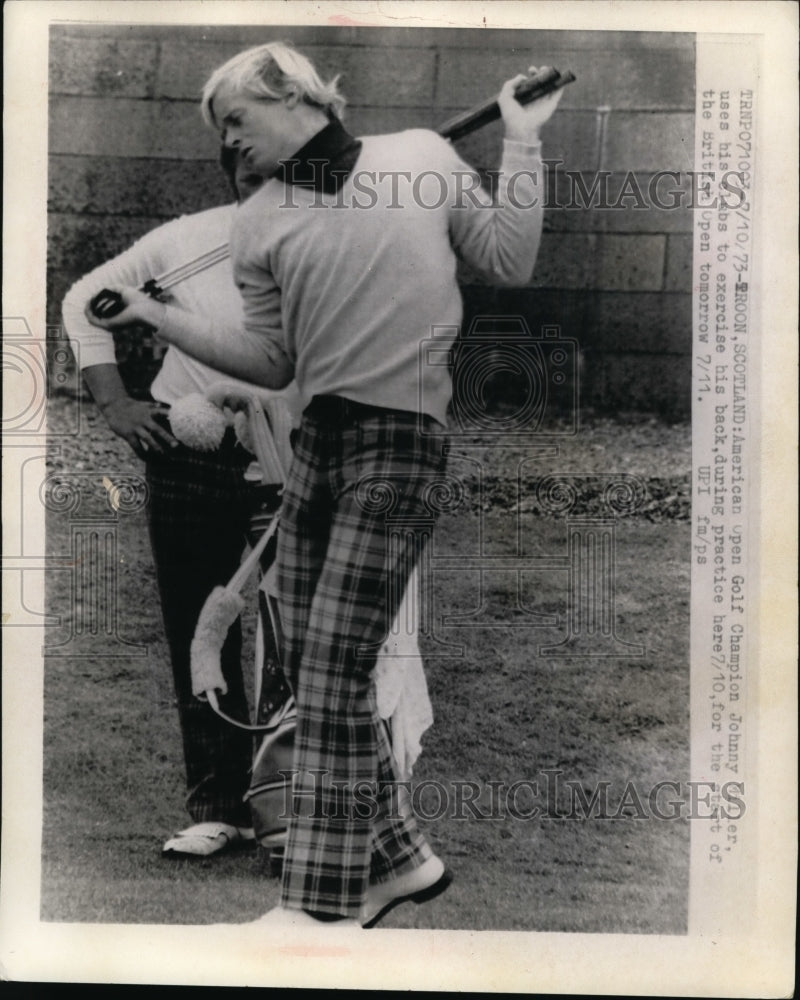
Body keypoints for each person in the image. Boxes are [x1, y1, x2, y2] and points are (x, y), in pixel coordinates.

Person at [87, 42, 563, 928]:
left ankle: (317, 906)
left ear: (291, 93)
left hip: (402, 440)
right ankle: (401, 859)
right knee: (315, 672)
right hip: (318, 443)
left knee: (338, 665)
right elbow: (273, 361)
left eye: (236, 118)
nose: (228, 144)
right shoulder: (261, 221)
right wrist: (161, 316)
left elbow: (509, 256)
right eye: (218, 132)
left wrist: (523, 142)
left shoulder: (421, 157)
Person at [62, 150, 299, 858]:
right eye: (252, 180)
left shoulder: (340, 247)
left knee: (295, 634)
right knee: (200, 625)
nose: (267, 197)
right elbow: (84, 301)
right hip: (189, 452)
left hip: (293, 454)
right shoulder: (184, 240)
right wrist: (116, 404)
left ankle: (284, 811)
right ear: (232, 178)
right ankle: (216, 806)